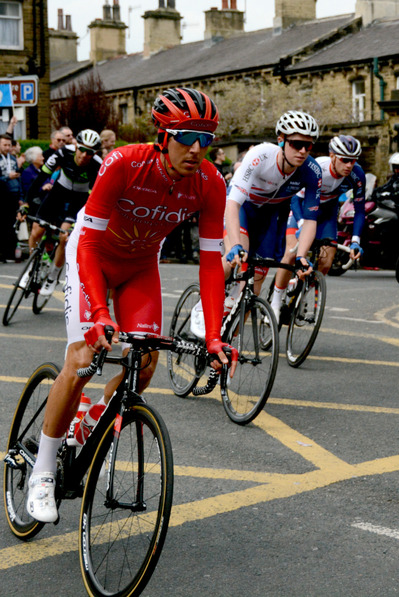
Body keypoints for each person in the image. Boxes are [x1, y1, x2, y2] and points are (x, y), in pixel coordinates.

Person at [26, 87, 233, 523]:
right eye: (186, 137)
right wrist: (100, 313)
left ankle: (90, 424)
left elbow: (212, 264)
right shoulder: (124, 163)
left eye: (206, 139)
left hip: (140, 266)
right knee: (83, 358)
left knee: (147, 362)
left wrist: (214, 336)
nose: (197, 149)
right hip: (93, 256)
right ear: (163, 135)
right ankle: (42, 471)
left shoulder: (211, 183)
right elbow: (88, 243)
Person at [222, 110, 321, 320]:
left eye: (308, 145)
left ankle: (232, 338)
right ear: (281, 140)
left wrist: (301, 256)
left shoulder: (312, 171)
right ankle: (204, 304)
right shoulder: (260, 155)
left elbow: (311, 220)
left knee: (253, 290)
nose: (303, 151)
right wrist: (235, 244)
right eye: (296, 144)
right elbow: (233, 203)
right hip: (242, 208)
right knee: (236, 255)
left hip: (267, 216)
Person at [23, 129, 104, 296]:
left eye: (90, 152)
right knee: (37, 230)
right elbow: (40, 178)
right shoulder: (63, 153)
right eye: (82, 149)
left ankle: (53, 276)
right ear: (76, 146)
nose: (84, 155)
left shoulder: (98, 165)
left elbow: (96, 197)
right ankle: (30, 268)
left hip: (80, 198)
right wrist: (25, 203)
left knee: (64, 236)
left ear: (95, 153)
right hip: (59, 192)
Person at [283, 134, 366, 276]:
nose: (349, 165)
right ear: (332, 156)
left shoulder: (357, 175)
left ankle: (308, 289)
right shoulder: (318, 168)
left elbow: (360, 210)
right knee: (291, 255)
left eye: (353, 161)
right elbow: (296, 199)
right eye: (344, 160)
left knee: (326, 263)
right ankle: (278, 290)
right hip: (303, 209)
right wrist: (301, 224)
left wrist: (355, 241)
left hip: (328, 212)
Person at [1, 133, 23, 261]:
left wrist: (21, 197)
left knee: (11, 225)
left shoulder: (13, 159)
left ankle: (10, 253)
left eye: (9, 145)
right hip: (2, 195)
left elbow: (19, 179)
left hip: (13, 195)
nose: (7, 147)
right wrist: (6, 177)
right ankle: (3, 254)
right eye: (4, 145)